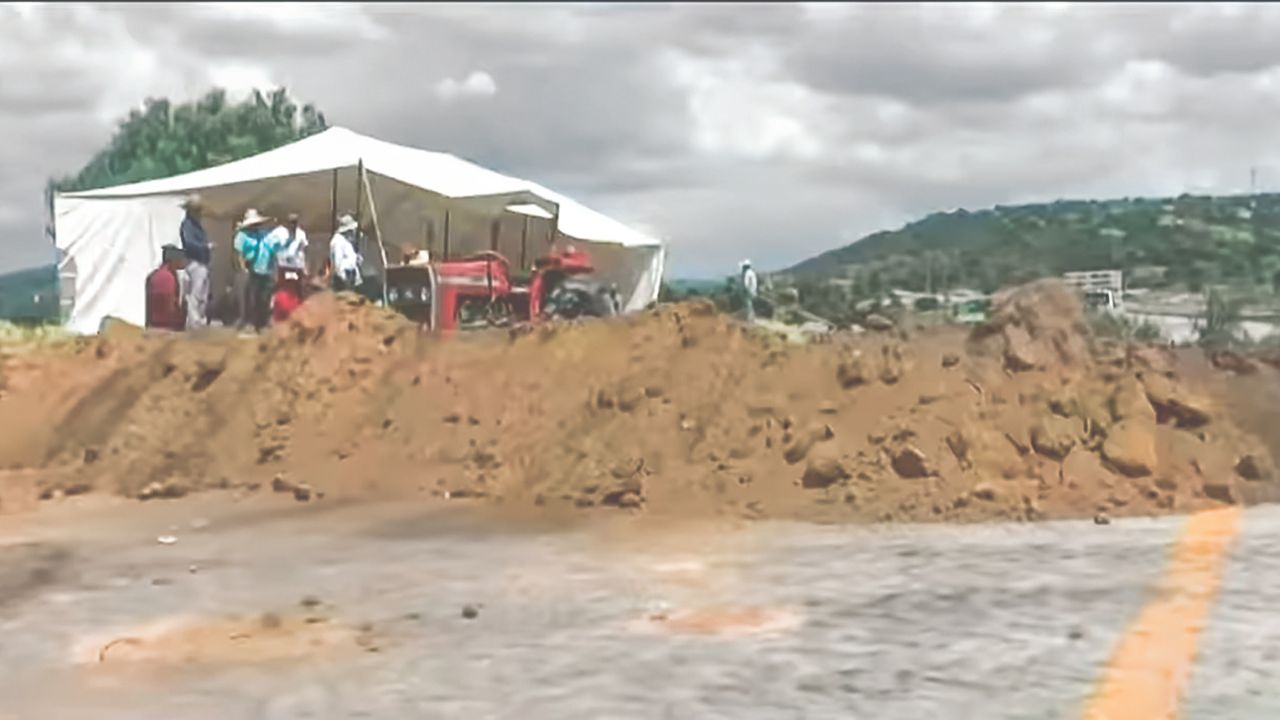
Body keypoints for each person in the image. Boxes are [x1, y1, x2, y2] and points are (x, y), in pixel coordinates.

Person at [233, 208, 279, 332]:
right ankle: (251, 323)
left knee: (265, 298)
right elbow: (239, 254)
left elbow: (271, 250)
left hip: (265, 270)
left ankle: (262, 323)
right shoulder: (242, 236)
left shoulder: (264, 235)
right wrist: (243, 268)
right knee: (252, 298)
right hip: (251, 270)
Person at [269, 213, 309, 324]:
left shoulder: (301, 234)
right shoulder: (279, 233)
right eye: (291, 222)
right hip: (283, 266)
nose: (293, 225)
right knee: (282, 290)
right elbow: (271, 247)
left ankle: (297, 316)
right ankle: (279, 316)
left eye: (295, 222)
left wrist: (305, 267)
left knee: (297, 291)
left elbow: (303, 251)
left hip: (297, 267)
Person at [178, 194, 211, 329]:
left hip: (200, 262)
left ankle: (198, 321)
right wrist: (205, 247)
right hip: (195, 262)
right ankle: (194, 323)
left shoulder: (194, 226)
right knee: (195, 295)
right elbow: (189, 243)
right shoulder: (187, 226)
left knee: (201, 294)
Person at [146, 245, 188, 332]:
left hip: (153, 324)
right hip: (165, 327)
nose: (184, 262)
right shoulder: (167, 278)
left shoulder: (155, 275)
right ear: (174, 260)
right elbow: (169, 306)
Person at [329, 213, 363, 292]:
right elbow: (338, 262)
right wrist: (344, 281)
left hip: (350, 277)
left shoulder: (345, 240)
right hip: (344, 278)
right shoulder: (338, 241)